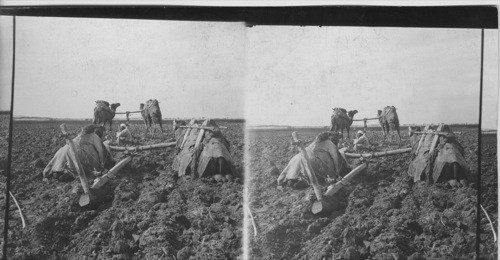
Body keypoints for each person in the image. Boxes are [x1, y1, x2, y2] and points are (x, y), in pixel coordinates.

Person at [277, 132, 352, 189]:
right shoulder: (330, 143)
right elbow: (336, 158)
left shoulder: (315, 142)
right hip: (314, 162)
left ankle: (287, 181)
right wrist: (338, 171)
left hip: (300, 157)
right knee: (329, 163)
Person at [43, 125, 114, 181]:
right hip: (78, 152)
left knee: (64, 164)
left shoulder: (80, 135)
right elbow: (100, 150)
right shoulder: (95, 136)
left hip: (66, 150)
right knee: (85, 166)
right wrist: (102, 162)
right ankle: (69, 174)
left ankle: (56, 171)